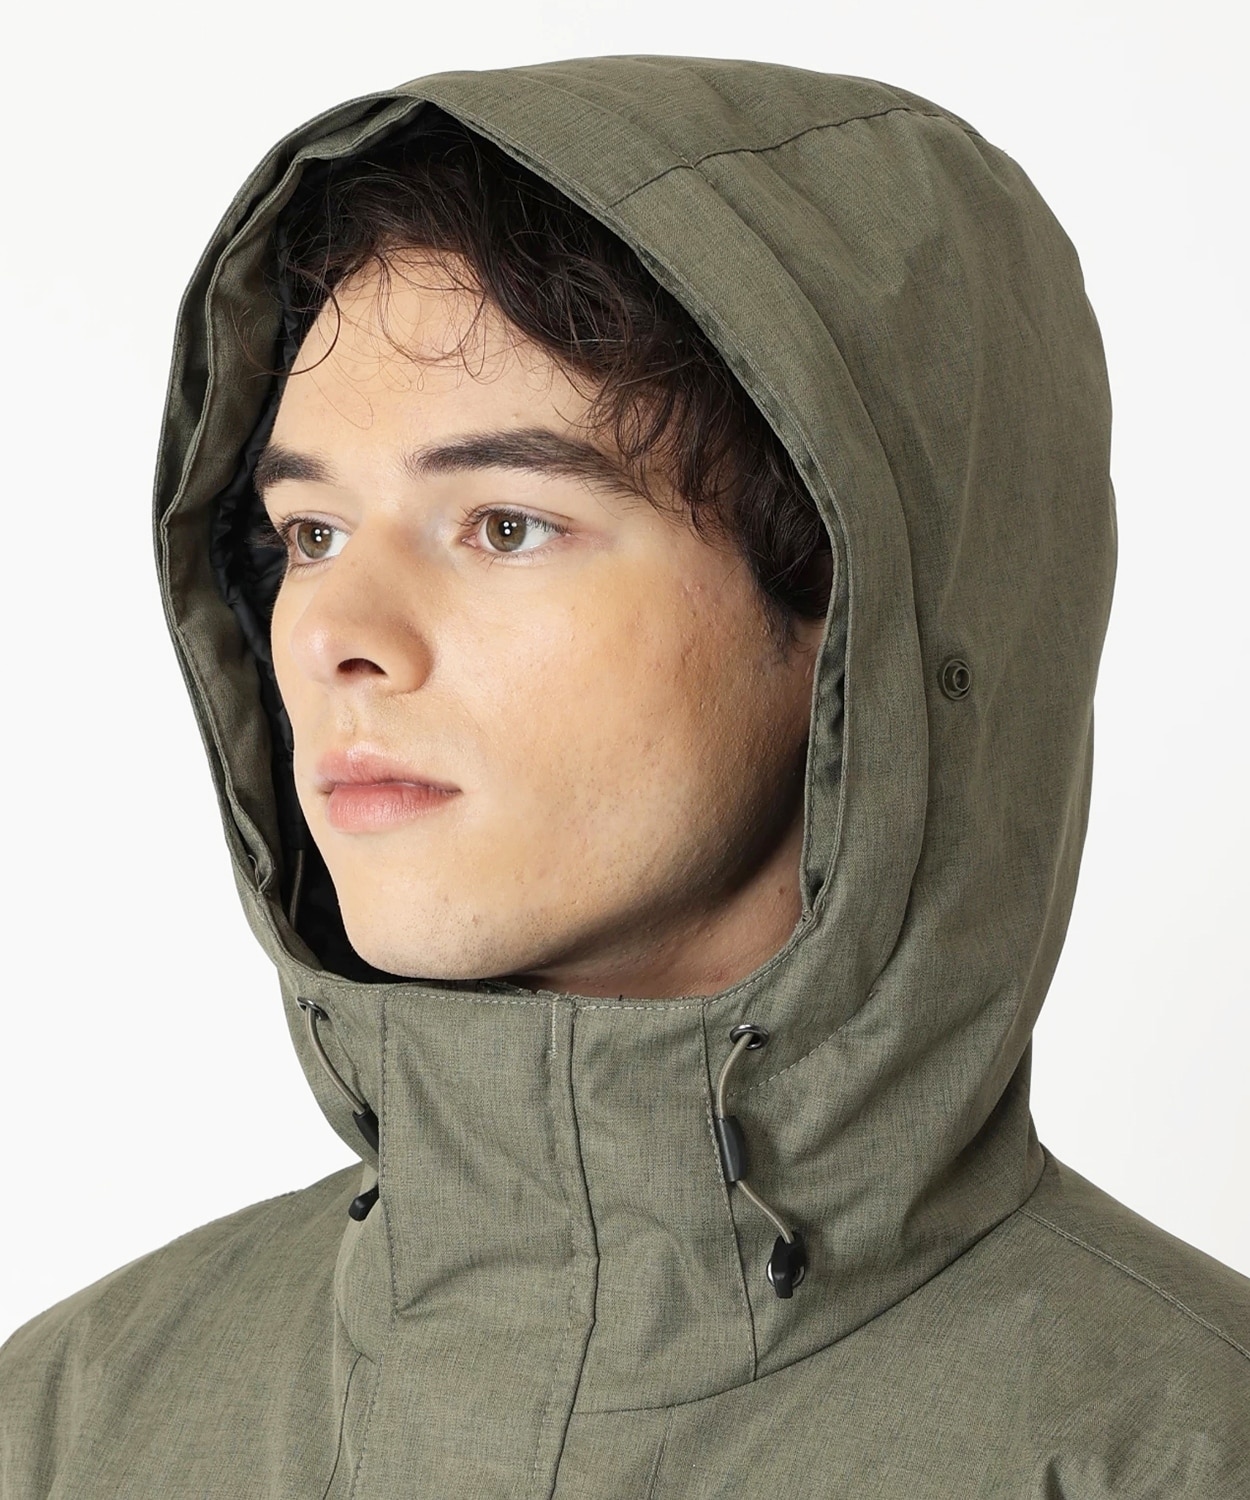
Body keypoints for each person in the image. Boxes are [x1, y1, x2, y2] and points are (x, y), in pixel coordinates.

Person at [1, 54, 1246, 1498]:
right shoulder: (69, 1424)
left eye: (505, 525)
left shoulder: (1177, 1454)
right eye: (311, 535)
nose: (337, 636)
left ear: (862, 617)